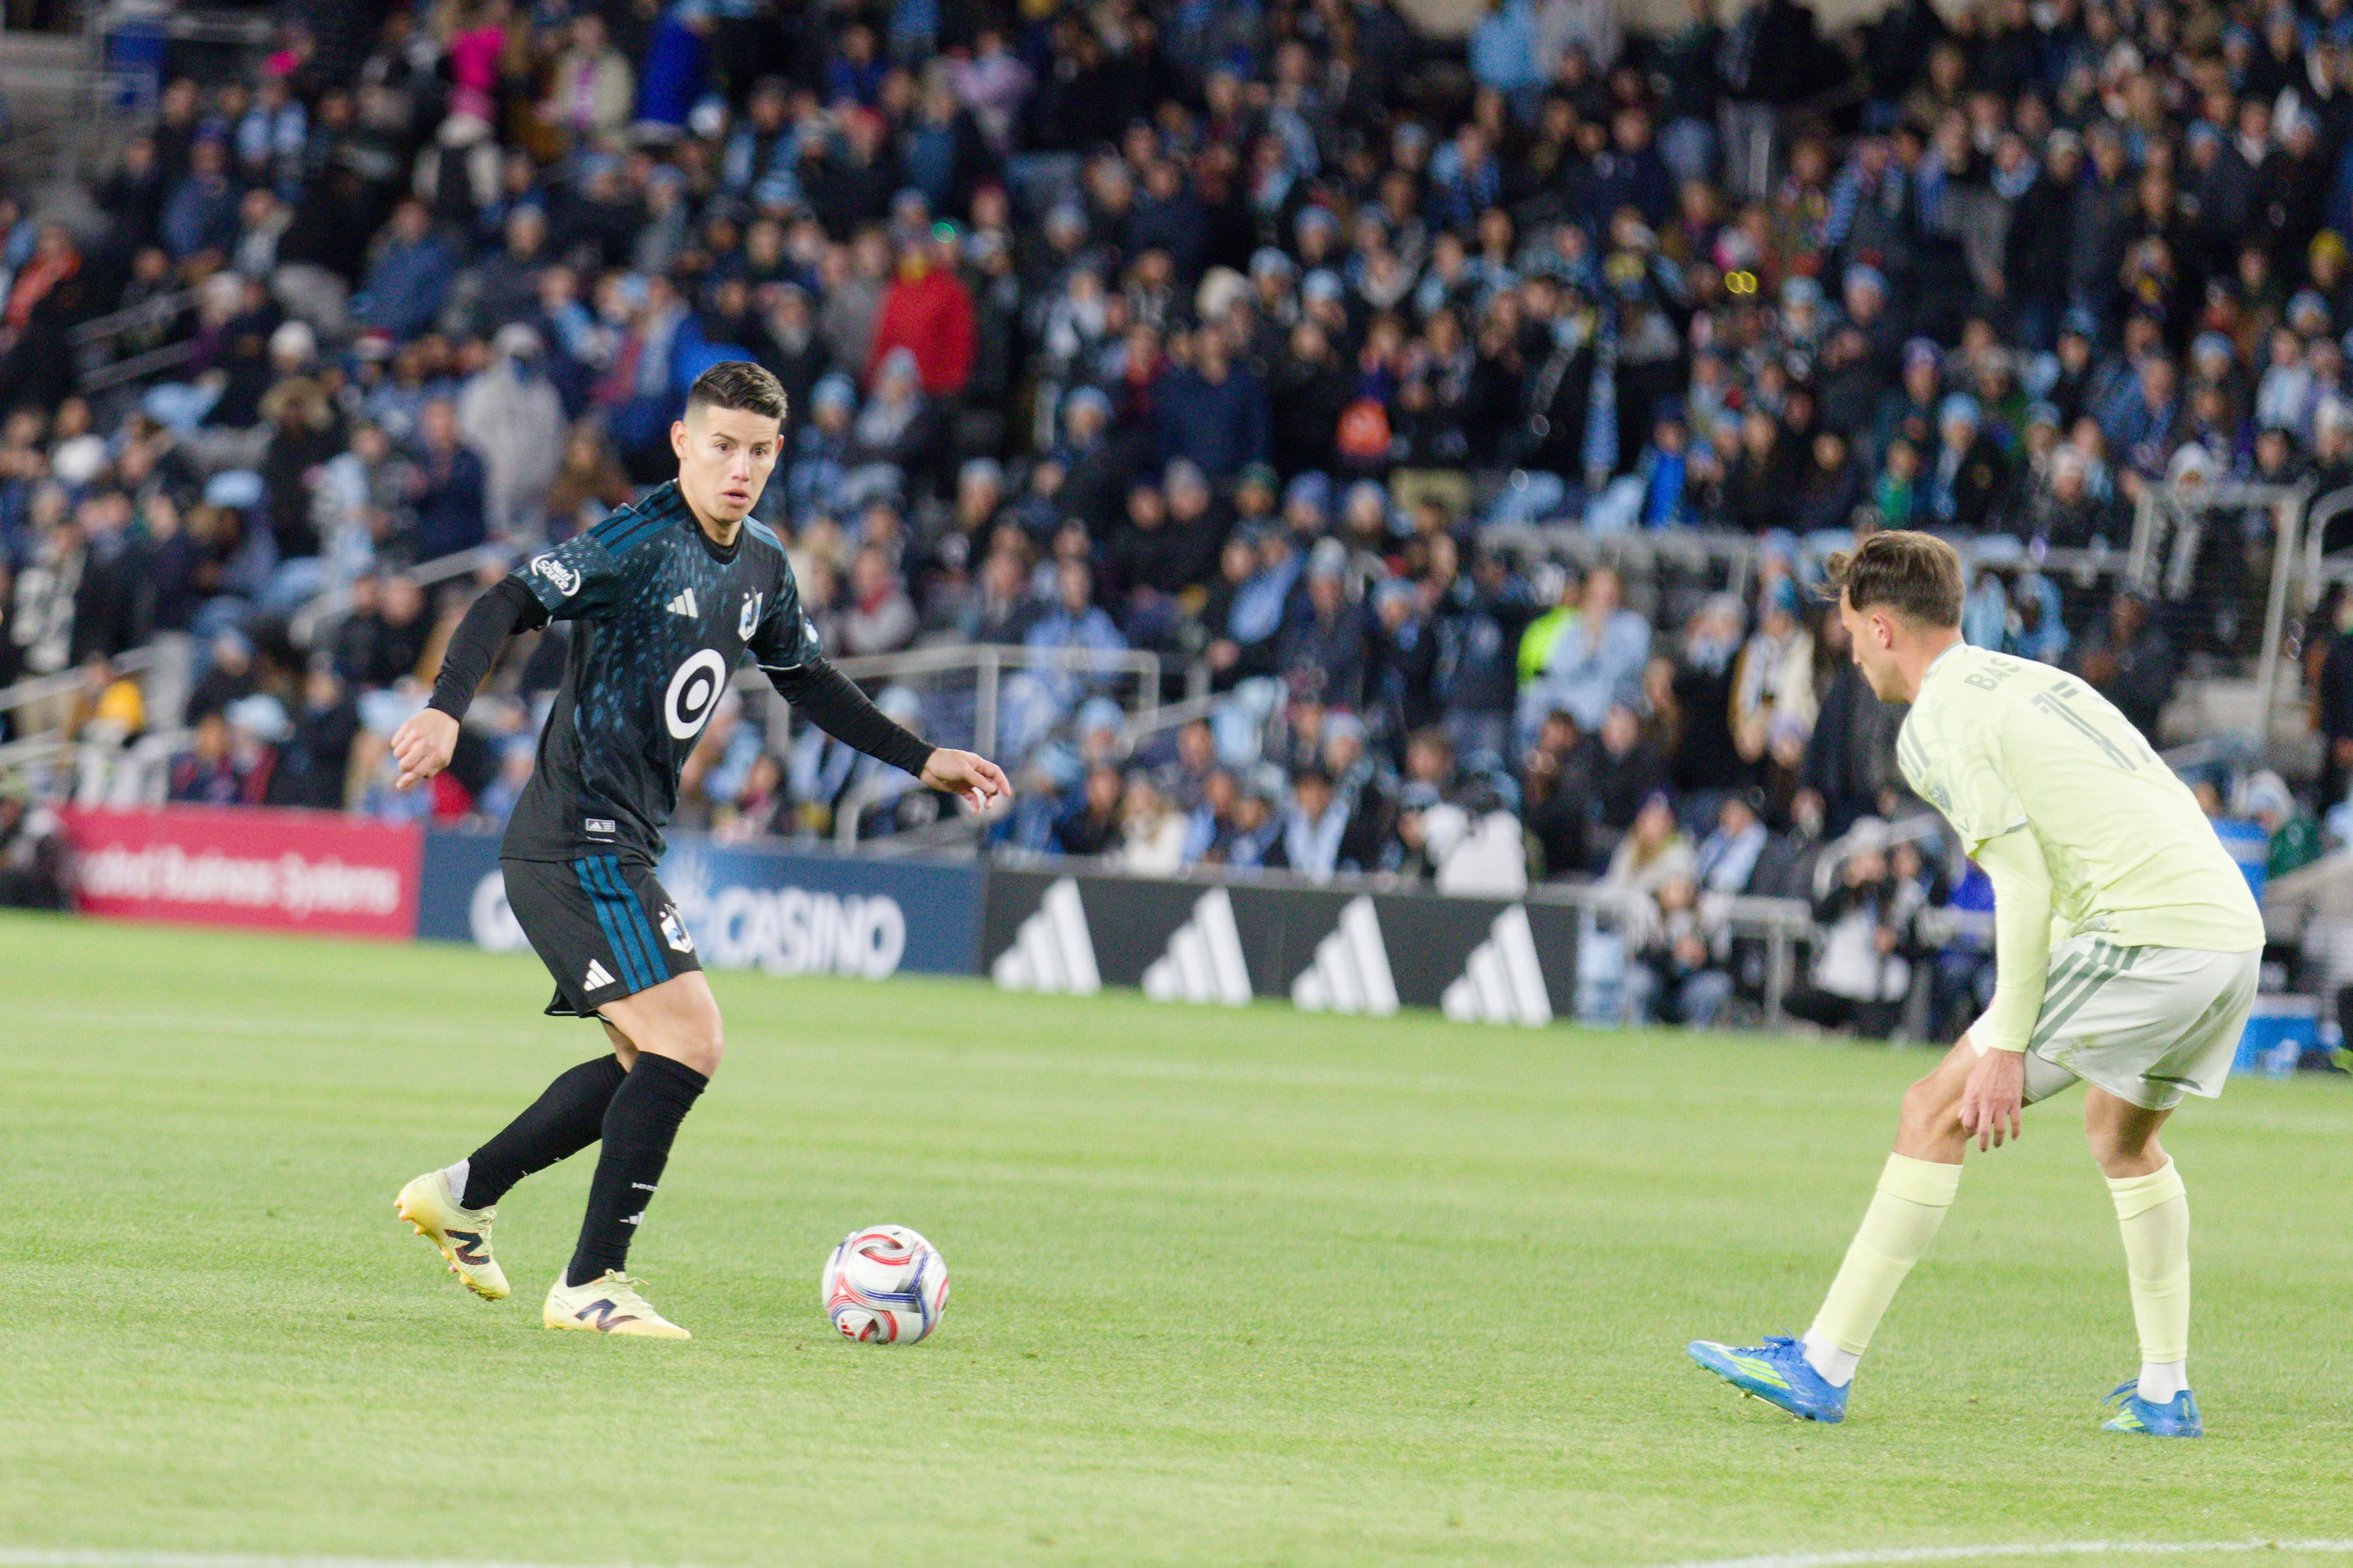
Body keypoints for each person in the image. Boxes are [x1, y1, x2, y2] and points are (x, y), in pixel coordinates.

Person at [385, 363, 1009, 1340]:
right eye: (721, 445)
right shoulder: (639, 542)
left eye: (759, 451)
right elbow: (507, 597)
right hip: (571, 838)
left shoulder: (760, 562)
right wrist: (444, 707)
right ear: (682, 442)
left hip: (623, 842)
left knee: (652, 1061)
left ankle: (465, 1191)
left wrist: (921, 756)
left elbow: (810, 680)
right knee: (694, 1039)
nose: (740, 468)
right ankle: (591, 1282)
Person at [1690, 531, 2264, 1435]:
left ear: (1881, 627)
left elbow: (2027, 881)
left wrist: (2005, 1043)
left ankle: (1822, 1364)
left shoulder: (1936, 726)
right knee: (2119, 1137)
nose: (1846, 651)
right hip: (2226, 930)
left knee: (1931, 1107)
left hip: (2149, 933)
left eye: (1846, 632)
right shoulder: (2032, 680)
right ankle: (2165, 1393)